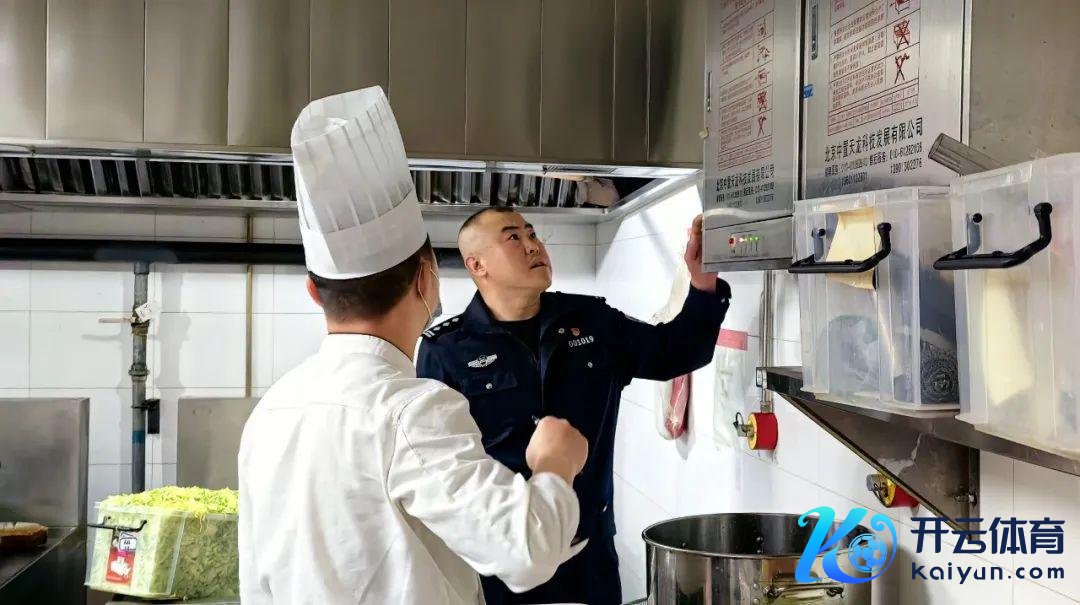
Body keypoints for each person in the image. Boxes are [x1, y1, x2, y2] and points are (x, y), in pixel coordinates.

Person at [238, 87, 590, 605]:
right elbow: (526, 551)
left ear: (314, 292)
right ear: (427, 280)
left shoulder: (270, 411)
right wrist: (554, 464)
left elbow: (256, 580)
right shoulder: (410, 410)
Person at [417, 207, 732, 605]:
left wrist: (703, 284)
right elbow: (438, 469)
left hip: (589, 558)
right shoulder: (446, 350)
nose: (532, 245)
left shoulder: (592, 321)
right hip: (497, 566)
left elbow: (679, 351)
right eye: (513, 237)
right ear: (477, 265)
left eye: (532, 234)